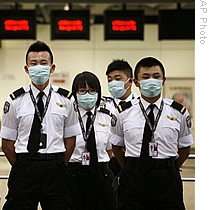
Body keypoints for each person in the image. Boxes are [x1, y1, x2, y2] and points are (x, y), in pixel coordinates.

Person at [0, 40, 80, 210]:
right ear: (26, 69)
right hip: (25, 168)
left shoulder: (66, 100)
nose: (39, 67)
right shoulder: (15, 101)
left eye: (44, 63)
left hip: (55, 169)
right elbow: (6, 145)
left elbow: (71, 141)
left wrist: (58, 164)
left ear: (52, 68)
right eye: (33, 63)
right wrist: (24, 166)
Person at [110, 56, 194, 210]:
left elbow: (185, 148)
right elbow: (117, 147)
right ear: (136, 82)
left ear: (163, 80)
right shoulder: (123, 112)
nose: (151, 81)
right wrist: (130, 168)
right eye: (146, 77)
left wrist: (169, 168)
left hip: (167, 179)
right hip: (133, 177)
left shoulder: (178, 112)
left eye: (156, 77)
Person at [67, 71, 116, 210]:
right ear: (75, 93)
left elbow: (109, 149)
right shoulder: (68, 117)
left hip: (101, 175)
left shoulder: (106, 116)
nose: (87, 95)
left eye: (92, 91)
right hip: (74, 174)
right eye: (82, 91)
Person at [103, 59, 137, 175]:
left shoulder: (139, 106)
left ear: (130, 81)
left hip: (131, 161)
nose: (113, 83)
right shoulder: (103, 105)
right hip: (107, 161)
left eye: (118, 79)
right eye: (109, 80)